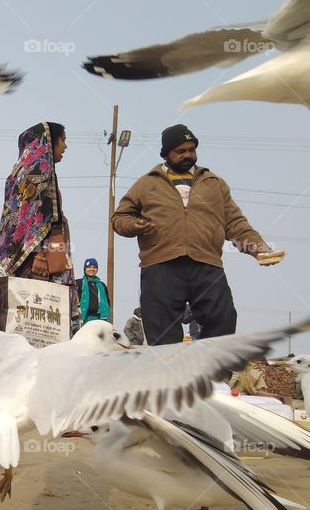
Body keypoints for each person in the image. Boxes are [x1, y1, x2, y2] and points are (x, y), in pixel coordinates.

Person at [112, 124, 280, 345]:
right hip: (160, 265)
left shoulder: (214, 183)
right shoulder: (146, 183)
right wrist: (135, 225)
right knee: (161, 332)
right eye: (180, 151)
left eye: (192, 149)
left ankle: (211, 367)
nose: (188, 155)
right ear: (166, 153)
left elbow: (234, 222)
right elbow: (120, 218)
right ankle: (171, 369)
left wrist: (258, 248)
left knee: (223, 320)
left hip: (206, 263)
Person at [0, 122, 79, 330]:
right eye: (63, 140)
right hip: (42, 257)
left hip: (21, 259)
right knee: (49, 317)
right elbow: (40, 217)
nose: (65, 146)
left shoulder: (16, 173)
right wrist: (40, 255)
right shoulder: (40, 170)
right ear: (48, 142)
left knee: (23, 318)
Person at [75, 257, 110, 324]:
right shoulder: (78, 283)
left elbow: (107, 302)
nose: (92, 269)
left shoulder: (102, 285)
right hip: (83, 318)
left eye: (94, 267)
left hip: (99, 319)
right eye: (89, 267)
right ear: (85, 269)